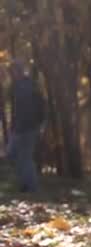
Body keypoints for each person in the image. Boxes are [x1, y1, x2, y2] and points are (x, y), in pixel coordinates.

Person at [6, 60, 45, 193]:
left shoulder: (26, 86)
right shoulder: (17, 86)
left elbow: (35, 107)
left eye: (13, 71)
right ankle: (27, 184)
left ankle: (31, 186)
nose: (12, 74)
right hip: (21, 126)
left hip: (26, 127)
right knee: (17, 155)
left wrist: (38, 124)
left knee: (24, 156)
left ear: (19, 71)